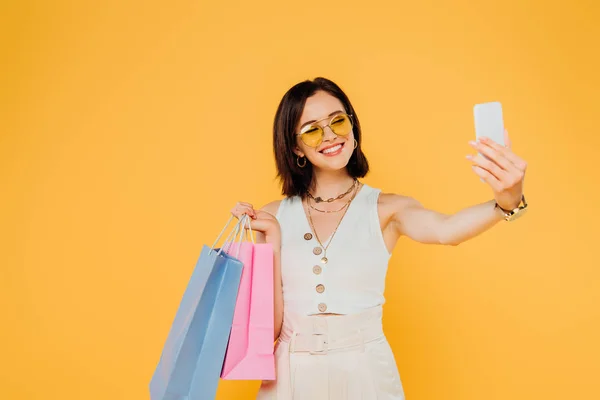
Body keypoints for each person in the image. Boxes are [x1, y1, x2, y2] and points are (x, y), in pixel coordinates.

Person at [229, 77, 528, 399]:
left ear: (353, 128)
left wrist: (507, 201)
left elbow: (447, 230)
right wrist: (269, 239)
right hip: (289, 377)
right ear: (295, 147)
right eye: (313, 129)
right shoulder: (275, 216)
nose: (330, 136)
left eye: (338, 121)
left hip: (365, 373)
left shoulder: (388, 208)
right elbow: (269, 329)